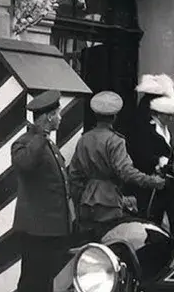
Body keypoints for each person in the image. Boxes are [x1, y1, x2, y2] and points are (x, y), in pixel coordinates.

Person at [10, 89, 73, 292]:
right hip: (34, 227)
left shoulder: (49, 145)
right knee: (31, 281)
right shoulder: (25, 143)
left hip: (52, 227)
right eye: (55, 113)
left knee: (44, 281)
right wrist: (39, 134)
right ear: (47, 117)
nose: (59, 117)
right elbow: (26, 165)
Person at [69, 91, 167, 238]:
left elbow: (74, 175)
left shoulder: (84, 139)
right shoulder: (115, 140)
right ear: (114, 117)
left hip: (86, 203)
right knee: (111, 242)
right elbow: (126, 172)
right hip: (109, 202)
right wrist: (152, 181)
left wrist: (81, 199)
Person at [129, 74, 174, 239]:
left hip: (167, 181)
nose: (170, 118)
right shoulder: (144, 129)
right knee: (152, 221)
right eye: (167, 114)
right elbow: (139, 153)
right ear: (158, 113)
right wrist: (157, 161)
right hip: (150, 183)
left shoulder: (165, 129)